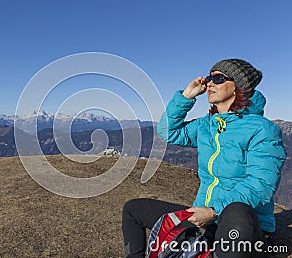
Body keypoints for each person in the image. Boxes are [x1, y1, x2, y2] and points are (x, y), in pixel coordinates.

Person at [122, 59, 286, 257]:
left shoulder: (262, 129)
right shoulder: (207, 125)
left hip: (244, 227)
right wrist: (186, 96)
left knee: (236, 211)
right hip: (206, 218)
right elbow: (168, 131)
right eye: (209, 78)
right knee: (133, 209)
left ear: (238, 87)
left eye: (218, 78)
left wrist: (213, 211)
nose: (209, 83)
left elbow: (260, 185)